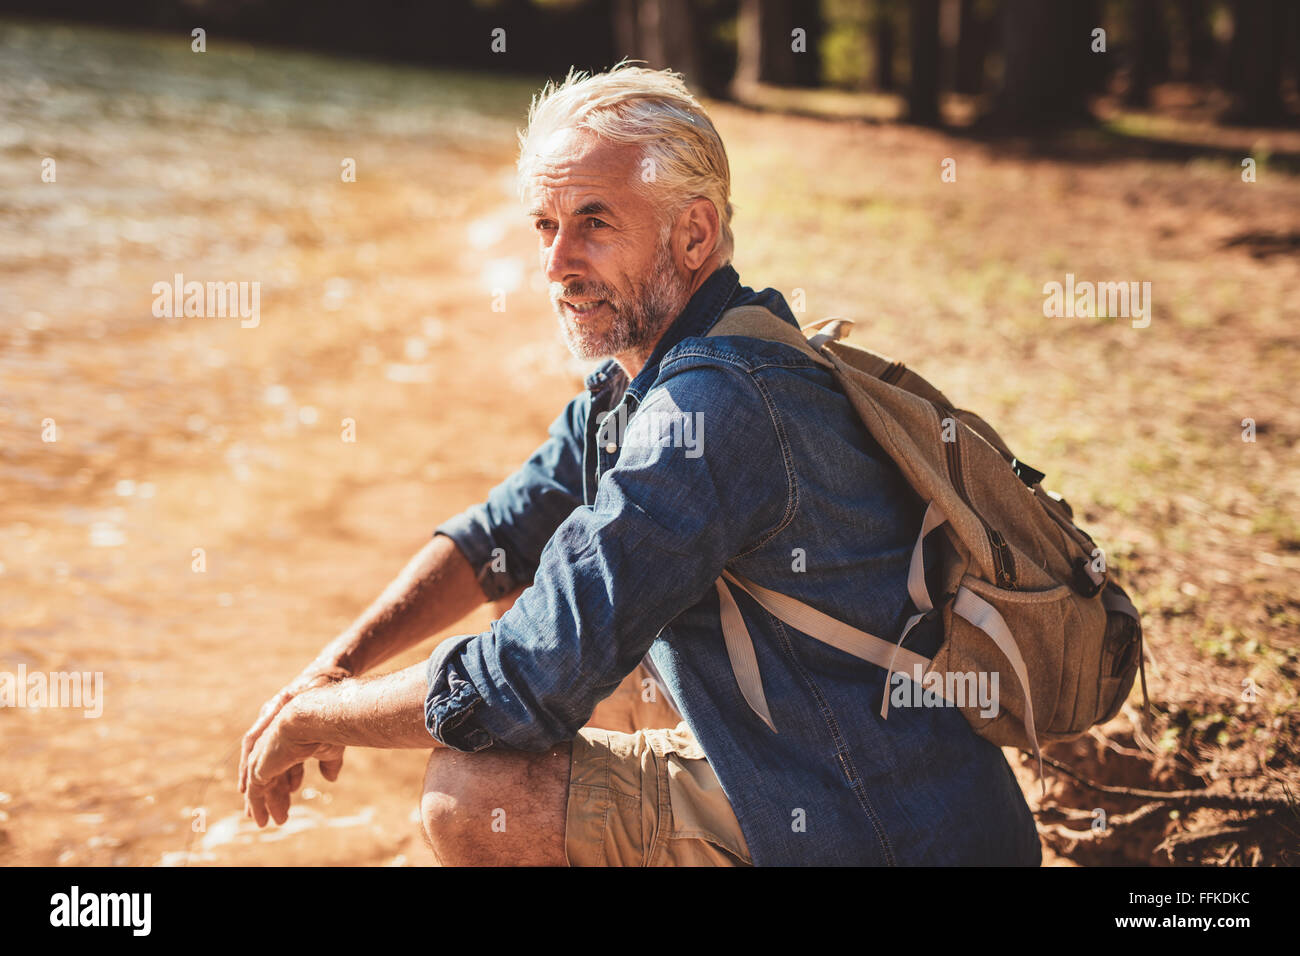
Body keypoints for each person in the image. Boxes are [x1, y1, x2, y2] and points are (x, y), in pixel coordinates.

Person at [239, 64, 1041, 867]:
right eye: (545, 226)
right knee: (530, 599)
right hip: (890, 790)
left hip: (876, 833)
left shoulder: (712, 409)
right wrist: (334, 668)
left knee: (476, 790)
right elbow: (501, 534)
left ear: (693, 234)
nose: (557, 265)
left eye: (594, 222)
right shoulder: (684, 358)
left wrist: (319, 720)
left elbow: (521, 677)